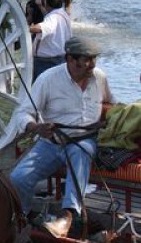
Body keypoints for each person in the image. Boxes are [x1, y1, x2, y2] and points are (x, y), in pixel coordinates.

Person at [10, 36, 114, 238]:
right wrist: (37, 127)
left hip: (85, 139)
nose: (92, 64)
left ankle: (69, 215)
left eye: (94, 59)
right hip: (51, 143)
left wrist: (109, 120)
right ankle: (23, 217)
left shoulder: (99, 77)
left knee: (80, 150)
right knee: (17, 178)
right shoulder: (48, 79)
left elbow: (112, 105)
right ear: (70, 60)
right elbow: (22, 113)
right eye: (87, 60)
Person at [31, 0, 71, 80]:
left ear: (47, 3)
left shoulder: (53, 18)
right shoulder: (63, 14)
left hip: (47, 62)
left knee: (40, 89)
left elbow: (40, 28)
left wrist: (28, 27)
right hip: (60, 58)